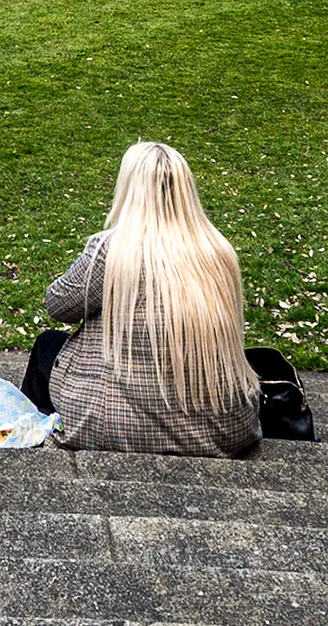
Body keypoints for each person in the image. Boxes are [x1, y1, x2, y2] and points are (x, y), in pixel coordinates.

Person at [22, 141, 262, 458]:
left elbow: (58, 305)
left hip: (121, 425)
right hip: (224, 427)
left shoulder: (113, 251)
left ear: (129, 189)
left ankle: (29, 443)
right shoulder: (218, 250)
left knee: (46, 345)